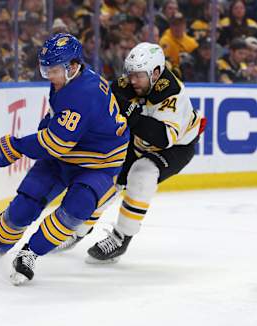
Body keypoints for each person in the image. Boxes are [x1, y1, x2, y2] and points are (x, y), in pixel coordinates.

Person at [0, 33, 130, 285]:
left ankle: (30, 254)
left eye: (52, 70)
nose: (48, 75)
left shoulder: (82, 93)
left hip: (98, 164)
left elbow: (56, 143)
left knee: (77, 208)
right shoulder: (67, 81)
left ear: (72, 67)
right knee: (24, 204)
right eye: (45, 70)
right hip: (66, 155)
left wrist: (15, 147)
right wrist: (33, 137)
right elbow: (54, 122)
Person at [83, 42, 205, 263]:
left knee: (143, 173)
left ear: (156, 73)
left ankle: (121, 238)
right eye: (130, 74)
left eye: (139, 75)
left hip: (175, 148)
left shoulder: (172, 94)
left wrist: (130, 113)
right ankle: (79, 227)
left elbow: (162, 138)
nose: (132, 80)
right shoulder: (133, 82)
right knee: (109, 178)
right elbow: (104, 98)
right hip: (139, 140)